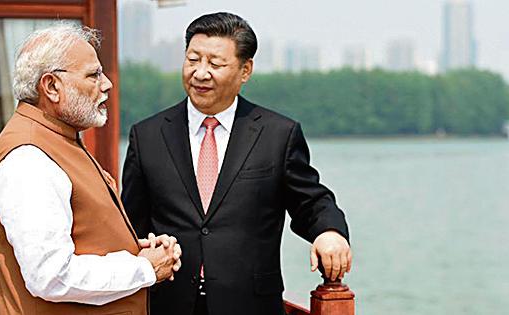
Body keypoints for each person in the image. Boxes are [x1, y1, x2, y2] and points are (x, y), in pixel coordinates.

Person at [122, 12, 352, 315]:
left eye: (215, 64)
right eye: (193, 59)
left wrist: (330, 232)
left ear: (245, 70)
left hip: (251, 305)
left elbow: (311, 201)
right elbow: (129, 225)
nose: (200, 73)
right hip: (168, 303)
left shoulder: (277, 134)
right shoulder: (147, 135)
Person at [0, 23, 182, 315]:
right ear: (51, 87)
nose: (107, 84)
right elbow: (51, 276)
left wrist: (134, 248)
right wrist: (143, 267)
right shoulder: (28, 158)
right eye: (93, 75)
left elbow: (75, 239)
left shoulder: (57, 138)